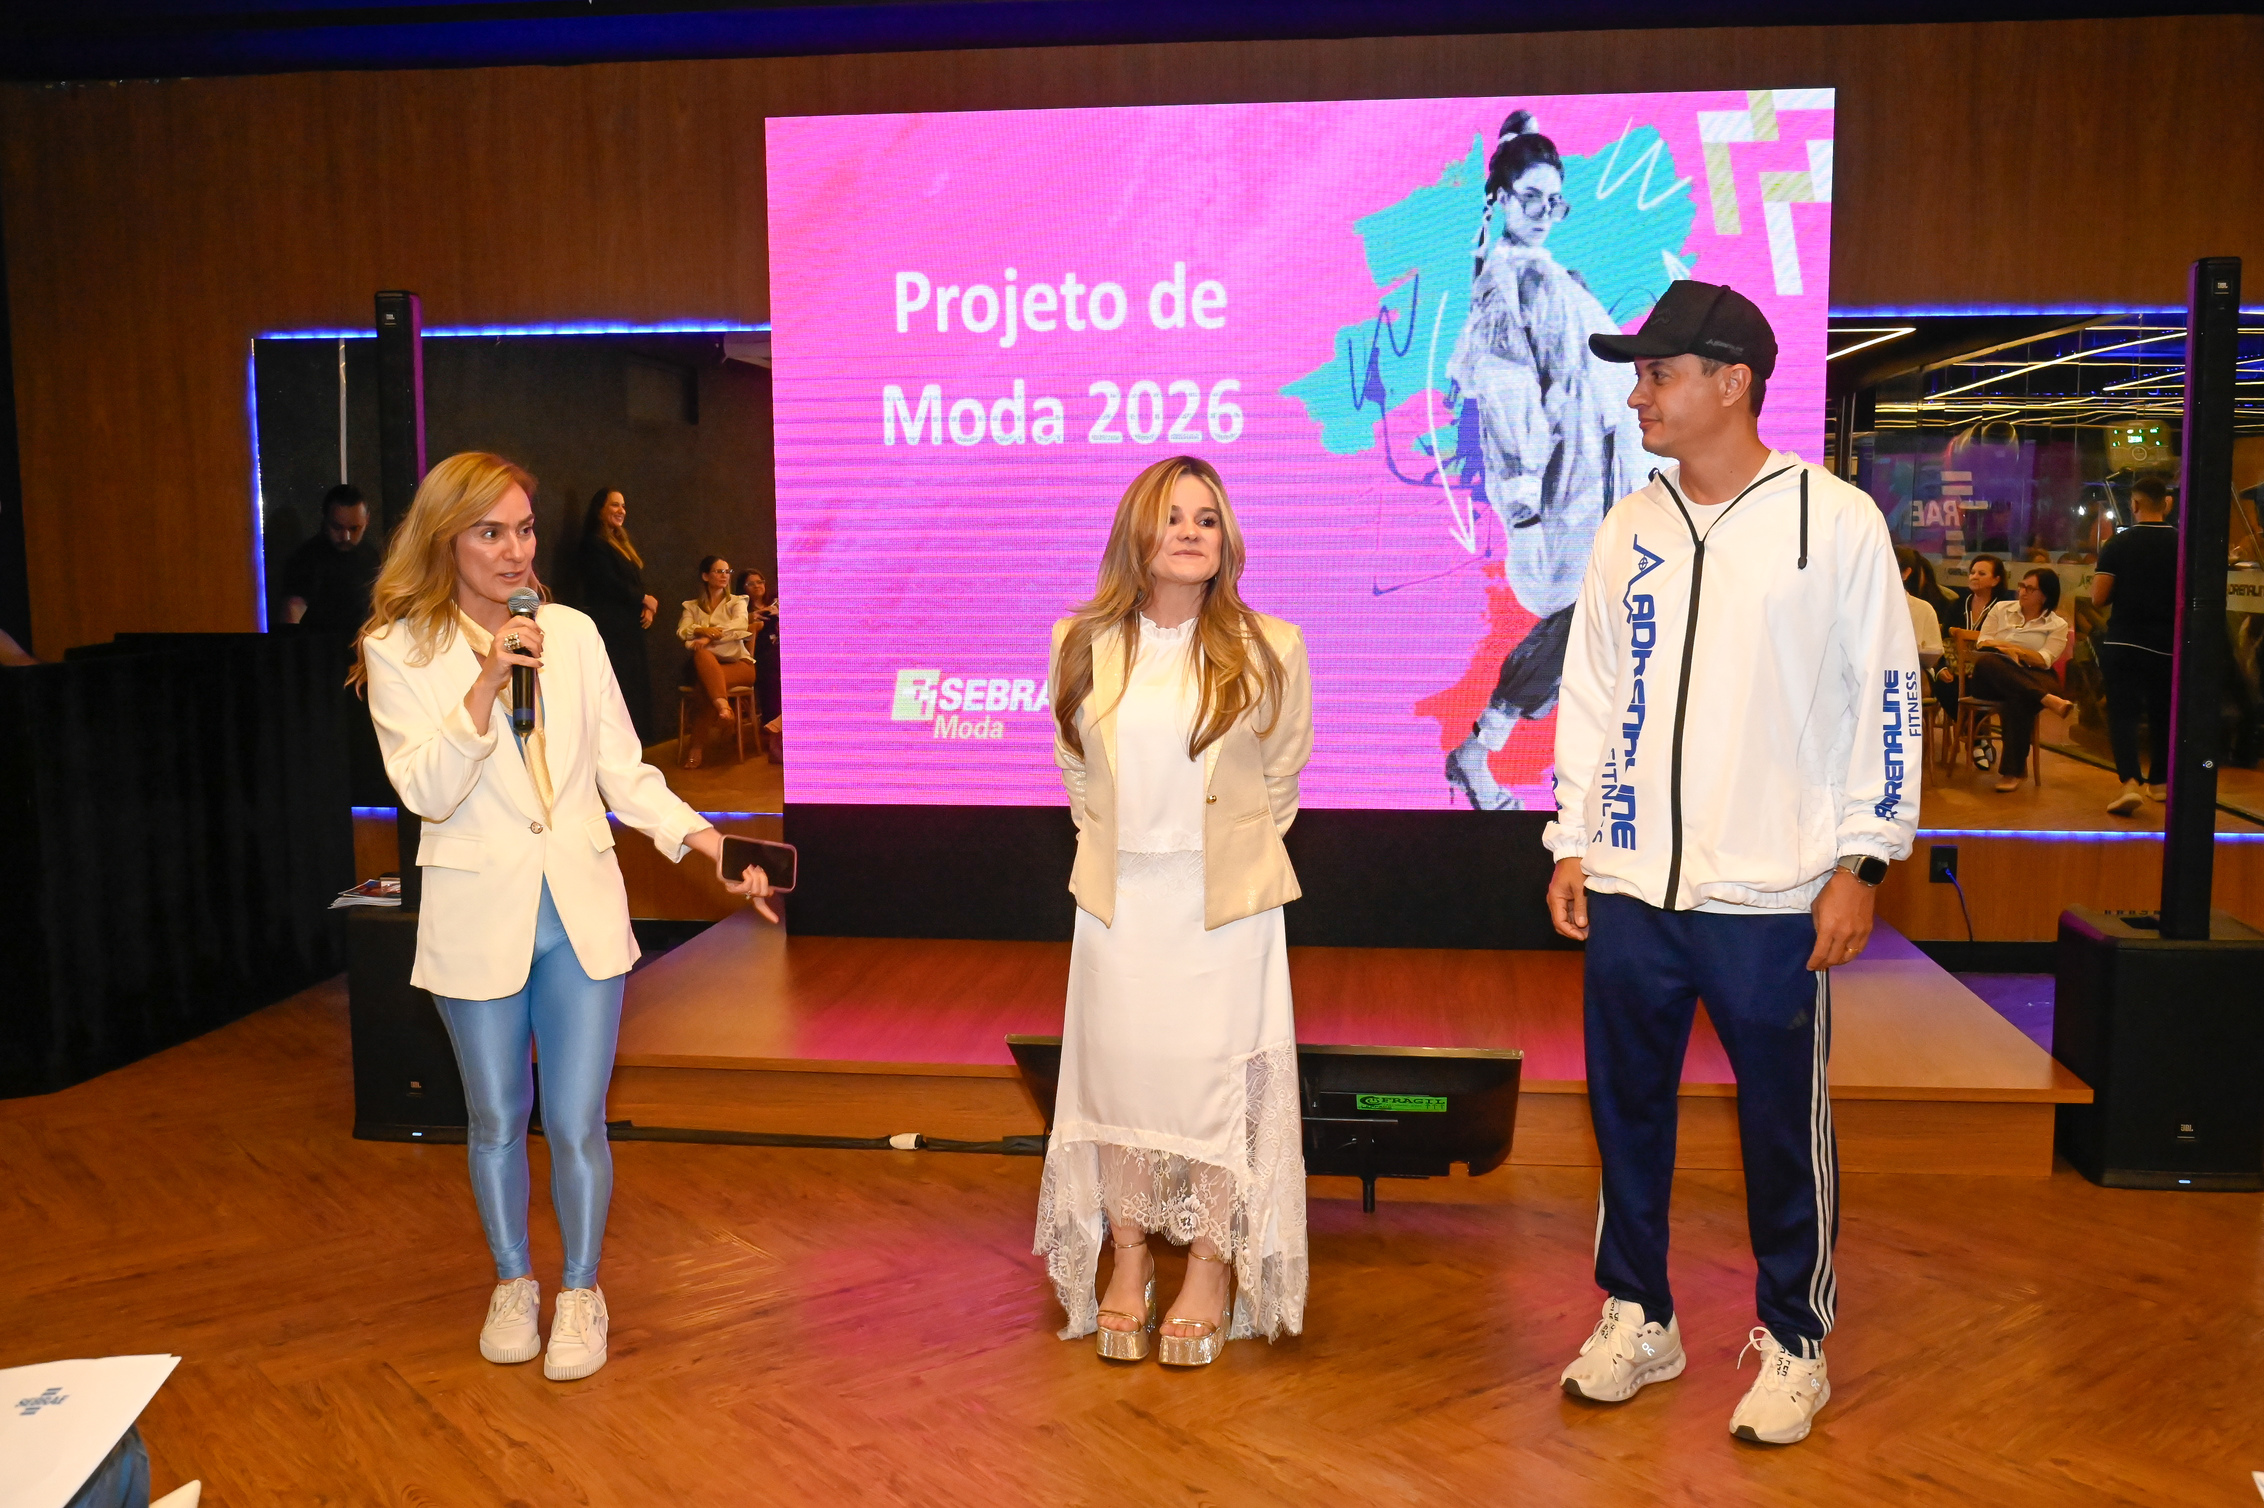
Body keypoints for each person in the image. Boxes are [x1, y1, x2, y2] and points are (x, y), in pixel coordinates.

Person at [1545, 280, 1919, 1446]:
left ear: (1730, 381)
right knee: (1625, 1113)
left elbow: (1884, 693)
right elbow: (1589, 692)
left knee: (1778, 1127)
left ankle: (1794, 1338)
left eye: (1656, 373)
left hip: (1772, 893)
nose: (1637, 394)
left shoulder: (1832, 520)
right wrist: (1572, 838)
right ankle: (1638, 1312)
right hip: (1631, 887)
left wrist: (1863, 858)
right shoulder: (1628, 525)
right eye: (1637, 375)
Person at [353, 452, 776, 1383]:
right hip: (476, 911)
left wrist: (711, 847)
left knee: (578, 1119)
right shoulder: (399, 648)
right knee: (496, 1116)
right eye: (490, 532)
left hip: (578, 909)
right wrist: (484, 682)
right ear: (446, 539)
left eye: (525, 529)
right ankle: (514, 1281)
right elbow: (425, 789)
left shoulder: (575, 634)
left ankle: (581, 1290)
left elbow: (624, 773)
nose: (515, 551)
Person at [1036, 454, 1312, 1368]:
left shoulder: (1271, 645)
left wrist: (1220, 856)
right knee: (1120, 1085)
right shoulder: (1080, 640)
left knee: (1213, 1091)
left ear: (1227, 538)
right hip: (1121, 905)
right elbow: (1078, 771)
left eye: (1207, 517)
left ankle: (1208, 1267)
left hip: (1224, 910)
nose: (1191, 531)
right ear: (1137, 534)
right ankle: (1127, 1258)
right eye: (1174, 515)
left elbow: (1280, 779)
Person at [1443, 109, 1647, 811]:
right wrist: (1525, 505)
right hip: (1561, 487)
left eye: (1553, 200)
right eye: (1529, 197)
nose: (1543, 213)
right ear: (1501, 198)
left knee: (1603, 623)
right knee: (1587, 617)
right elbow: (1508, 398)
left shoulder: (1549, 274)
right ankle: (1484, 751)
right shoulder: (1510, 282)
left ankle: (1520, 760)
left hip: (1599, 477)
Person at [2092, 477, 2178, 813]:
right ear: (2166, 504)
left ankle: (2130, 783)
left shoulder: (2118, 543)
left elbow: (2098, 597)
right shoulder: (2182, 543)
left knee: (2123, 715)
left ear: (2135, 504)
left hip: (2125, 640)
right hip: (2167, 644)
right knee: (2163, 713)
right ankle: (2160, 783)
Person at [1969, 568, 2075, 793]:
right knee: (1988, 661)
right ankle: (2045, 698)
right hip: (1993, 674)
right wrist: (2006, 652)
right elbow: (1983, 642)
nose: (2022, 591)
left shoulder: (2057, 624)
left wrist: (2016, 650)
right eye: (2021, 586)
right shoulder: (2001, 609)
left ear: (2044, 595)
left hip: (2034, 674)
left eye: (2030, 588)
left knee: (2018, 699)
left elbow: (2045, 659)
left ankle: (2012, 772)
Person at [577, 488, 660, 744]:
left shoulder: (621, 543)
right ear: (600, 509)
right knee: (619, 687)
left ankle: (637, 743)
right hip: (612, 629)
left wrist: (646, 605)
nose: (621, 510)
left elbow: (633, 581)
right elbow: (607, 582)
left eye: (623, 505)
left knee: (634, 687)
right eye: (614, 505)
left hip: (629, 628)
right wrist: (643, 598)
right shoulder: (594, 544)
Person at [675, 555, 753, 769]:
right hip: (708, 666)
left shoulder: (737, 601)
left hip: (740, 665)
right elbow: (682, 632)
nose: (724, 576)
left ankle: (696, 748)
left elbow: (740, 625)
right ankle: (724, 708)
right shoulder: (691, 606)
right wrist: (700, 629)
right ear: (705, 576)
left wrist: (708, 637)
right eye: (719, 571)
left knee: (706, 681)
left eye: (727, 571)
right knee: (703, 663)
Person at [282, 484, 382, 631]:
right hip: (319, 642)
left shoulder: (372, 557)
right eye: (337, 527)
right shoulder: (306, 559)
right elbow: (292, 612)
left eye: (354, 528)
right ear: (325, 519)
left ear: (367, 520)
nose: (346, 537)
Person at [734, 566, 783, 727]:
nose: (757, 586)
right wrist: (750, 619)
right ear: (743, 588)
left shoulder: (775, 604)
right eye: (751, 584)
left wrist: (781, 616)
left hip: (778, 651)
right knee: (771, 666)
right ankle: (772, 722)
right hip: (757, 656)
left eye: (760, 582)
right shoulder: (740, 611)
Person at [1897, 547, 1945, 674]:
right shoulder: (1863, 606)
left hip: (1913, 671)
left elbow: (1934, 654)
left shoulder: (1923, 608)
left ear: (1905, 573)